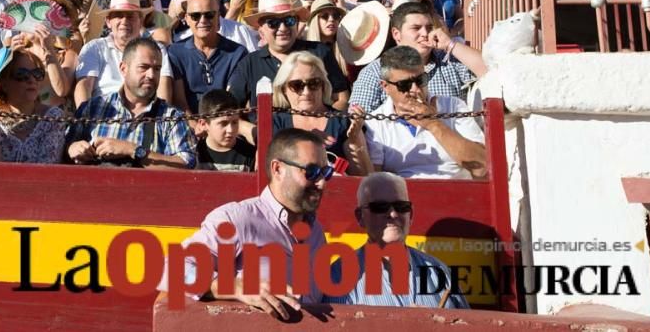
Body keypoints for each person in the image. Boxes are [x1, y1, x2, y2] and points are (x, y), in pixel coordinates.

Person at [161, 128, 330, 318]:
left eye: (326, 172)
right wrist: (233, 287)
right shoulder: (238, 219)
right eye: (312, 172)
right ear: (278, 169)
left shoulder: (316, 232)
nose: (322, 183)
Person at [324, 172, 470, 307]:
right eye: (380, 207)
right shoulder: (337, 276)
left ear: (410, 215)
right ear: (360, 217)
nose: (393, 214)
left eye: (401, 206)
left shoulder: (439, 272)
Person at [67, 37, 195, 168]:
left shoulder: (171, 117)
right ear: (123, 69)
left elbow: (186, 164)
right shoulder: (93, 108)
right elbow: (65, 149)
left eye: (157, 69)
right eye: (143, 67)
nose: (151, 75)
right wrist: (73, 148)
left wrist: (134, 150)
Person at [364, 46, 486, 179]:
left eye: (420, 80)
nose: (415, 90)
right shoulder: (375, 122)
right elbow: (375, 179)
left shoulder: (453, 106)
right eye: (404, 85)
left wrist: (433, 124)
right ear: (385, 87)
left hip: (455, 192)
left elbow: (481, 167)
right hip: (404, 196)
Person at [349, 2, 486, 113]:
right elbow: (359, 118)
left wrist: (450, 44)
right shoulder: (375, 71)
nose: (425, 33)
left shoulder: (449, 60)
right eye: (416, 28)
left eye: (429, 27)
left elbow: (489, 71)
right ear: (396, 34)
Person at [228, 0, 349, 111]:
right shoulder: (249, 64)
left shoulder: (320, 52)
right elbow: (231, 111)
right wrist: (252, 130)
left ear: (297, 23)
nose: (283, 28)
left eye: (289, 20)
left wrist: (323, 124)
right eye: (273, 23)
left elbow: (342, 98)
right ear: (261, 30)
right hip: (266, 130)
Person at [74, 0, 174, 107]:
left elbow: (164, 88)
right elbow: (83, 86)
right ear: (108, 22)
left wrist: (159, 120)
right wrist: (85, 119)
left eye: (130, 16)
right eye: (119, 16)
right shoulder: (94, 48)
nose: (124, 21)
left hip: (145, 117)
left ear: (140, 21)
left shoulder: (157, 49)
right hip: (102, 117)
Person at [0, 48, 65, 163]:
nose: (32, 80)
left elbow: (47, 166)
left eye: (37, 74)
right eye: (22, 74)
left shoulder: (53, 118)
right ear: (3, 84)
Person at [168, 0, 248, 113]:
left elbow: (232, 99)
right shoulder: (175, 52)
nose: (203, 20)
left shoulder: (237, 53)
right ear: (187, 19)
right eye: (195, 16)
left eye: (209, 15)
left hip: (225, 123)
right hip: (186, 125)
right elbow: (180, 102)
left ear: (218, 18)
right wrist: (194, 125)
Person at [195, 89, 255, 171]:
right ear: (203, 124)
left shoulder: (249, 154)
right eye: (223, 123)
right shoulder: (196, 153)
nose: (230, 130)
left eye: (234, 122)